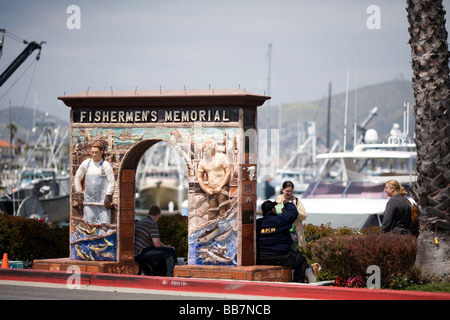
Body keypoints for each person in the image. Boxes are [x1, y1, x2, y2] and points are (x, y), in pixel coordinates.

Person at [256, 200, 308, 282]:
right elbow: (293, 213)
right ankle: (298, 287)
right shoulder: (281, 219)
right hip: (281, 256)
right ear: (273, 209)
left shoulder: (257, 223)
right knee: (301, 261)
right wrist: (287, 203)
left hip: (261, 257)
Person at [74, 141, 115, 224]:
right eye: (92, 152)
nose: (94, 154)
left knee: (105, 224)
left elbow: (111, 181)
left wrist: (108, 195)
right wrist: (79, 193)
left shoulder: (105, 165)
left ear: (101, 152)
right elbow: (77, 178)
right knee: (89, 224)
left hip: (102, 202)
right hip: (88, 202)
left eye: (96, 152)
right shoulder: (86, 164)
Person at [134, 205, 177, 276]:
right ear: (157, 215)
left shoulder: (142, 221)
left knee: (163, 252)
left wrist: (165, 247)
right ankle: (172, 277)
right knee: (170, 252)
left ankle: (161, 276)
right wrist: (168, 247)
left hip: (136, 253)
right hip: (141, 253)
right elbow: (157, 244)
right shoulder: (152, 223)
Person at [196, 139, 231, 220]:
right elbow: (199, 177)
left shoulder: (221, 158)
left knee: (223, 211)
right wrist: (206, 189)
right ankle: (213, 229)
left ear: (212, 149)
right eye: (203, 151)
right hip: (211, 190)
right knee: (212, 213)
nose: (204, 152)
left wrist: (220, 186)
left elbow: (228, 172)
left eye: (205, 151)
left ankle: (224, 229)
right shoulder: (202, 162)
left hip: (222, 189)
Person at [274, 181, 307, 250]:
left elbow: (304, 216)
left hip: (293, 234)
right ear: (282, 189)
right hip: (279, 233)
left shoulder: (296, 201)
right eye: (287, 191)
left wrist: (293, 210)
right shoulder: (277, 200)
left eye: (291, 191)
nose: (289, 193)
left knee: (291, 255)